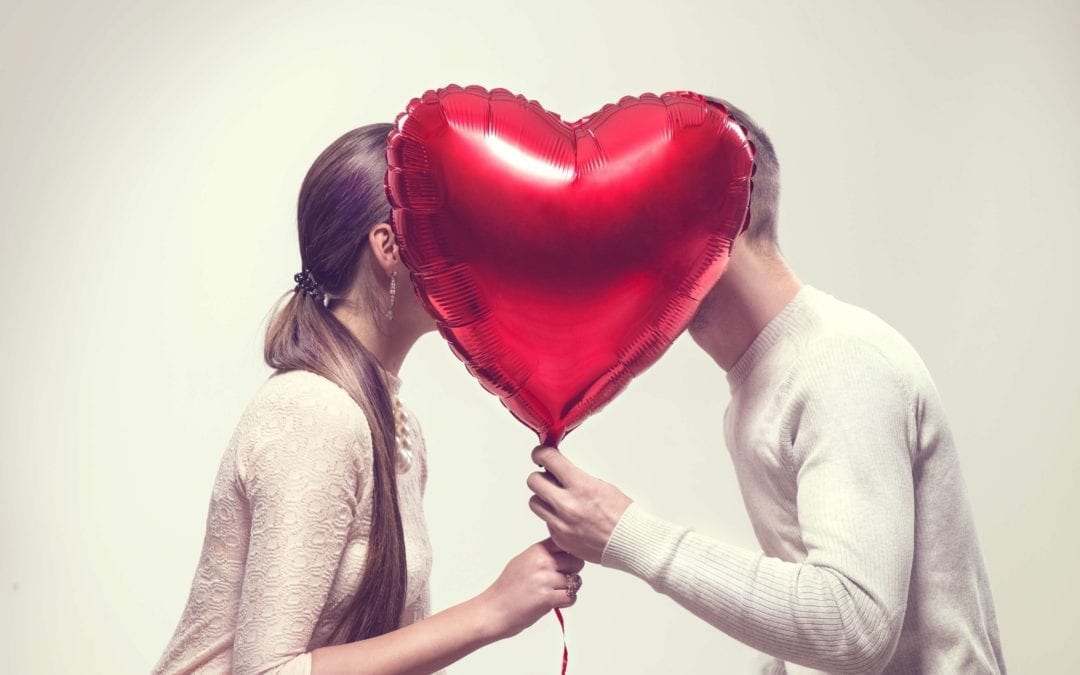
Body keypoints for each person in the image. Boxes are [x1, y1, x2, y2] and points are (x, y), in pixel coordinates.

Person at [525, 99, 1006, 673]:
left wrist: (627, 533)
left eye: (640, 224)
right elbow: (808, 601)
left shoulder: (842, 364)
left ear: (717, 221)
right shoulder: (759, 385)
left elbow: (854, 626)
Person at [155, 123, 584, 675]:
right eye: (450, 234)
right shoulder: (315, 414)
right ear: (388, 247)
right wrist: (491, 611)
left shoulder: (395, 425)